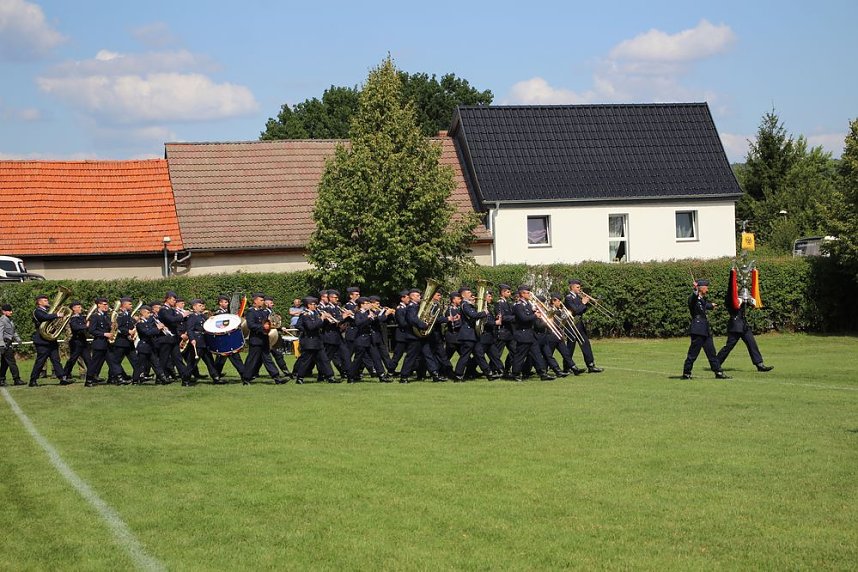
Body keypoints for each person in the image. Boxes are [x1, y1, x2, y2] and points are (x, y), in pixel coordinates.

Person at [682, 280, 730, 380]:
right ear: (701, 288)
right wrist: (695, 289)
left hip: (705, 330)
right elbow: (694, 299)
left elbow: (704, 305)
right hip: (698, 330)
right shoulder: (693, 298)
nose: (707, 289)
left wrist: (711, 305)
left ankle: (718, 372)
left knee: (711, 352)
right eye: (706, 287)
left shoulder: (701, 300)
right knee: (693, 353)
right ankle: (686, 373)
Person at [716, 292, 774, 372]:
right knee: (729, 346)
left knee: (752, 343)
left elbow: (753, 304)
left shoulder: (742, 296)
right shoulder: (730, 297)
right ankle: (716, 363)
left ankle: (759, 364)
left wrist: (749, 299)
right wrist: (741, 299)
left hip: (744, 325)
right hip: (735, 326)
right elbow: (733, 305)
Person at [28, 294, 73, 387]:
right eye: (45, 300)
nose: (47, 302)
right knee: (40, 361)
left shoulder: (48, 312)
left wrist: (60, 319)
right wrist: (56, 315)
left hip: (51, 340)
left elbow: (51, 321)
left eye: (47, 300)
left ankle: (62, 378)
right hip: (42, 341)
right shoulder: (37, 311)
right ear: (39, 302)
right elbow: (43, 317)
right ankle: (33, 380)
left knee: (56, 360)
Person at [511, 286, 554, 381]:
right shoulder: (518, 306)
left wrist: (537, 313)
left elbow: (530, 316)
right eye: (528, 293)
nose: (530, 295)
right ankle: (516, 374)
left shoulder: (528, 305)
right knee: (520, 355)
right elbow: (523, 318)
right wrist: (535, 315)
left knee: (537, 354)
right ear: (522, 294)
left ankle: (542, 373)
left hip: (530, 334)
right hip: (522, 334)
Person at [242, 293, 286, 385]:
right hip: (256, 340)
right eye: (261, 300)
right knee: (252, 360)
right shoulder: (251, 312)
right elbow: (251, 325)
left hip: (264, 339)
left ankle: (276, 377)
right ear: (255, 301)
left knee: (268, 359)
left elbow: (269, 323)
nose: (263, 302)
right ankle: (246, 378)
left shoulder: (265, 312)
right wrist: (263, 327)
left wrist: (275, 325)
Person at [563, 280, 603, 373]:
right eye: (577, 287)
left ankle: (591, 365)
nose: (579, 289)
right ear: (571, 287)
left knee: (586, 344)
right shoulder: (568, 298)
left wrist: (588, 303)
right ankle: (567, 367)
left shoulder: (577, 297)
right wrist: (583, 303)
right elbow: (576, 310)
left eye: (579, 287)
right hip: (571, 325)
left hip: (579, 324)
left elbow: (582, 310)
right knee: (570, 347)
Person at [293, 296, 335, 384]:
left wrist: (328, 319)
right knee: (306, 360)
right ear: (308, 305)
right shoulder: (305, 315)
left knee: (324, 359)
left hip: (318, 341)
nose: (315, 306)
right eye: (313, 304)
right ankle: (300, 377)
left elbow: (319, 325)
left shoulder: (316, 313)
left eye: (315, 304)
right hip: (309, 341)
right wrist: (322, 319)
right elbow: (311, 326)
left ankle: (330, 376)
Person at [185, 299, 222, 385]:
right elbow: (190, 330)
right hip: (197, 341)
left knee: (209, 361)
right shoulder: (192, 317)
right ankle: (186, 380)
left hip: (204, 341)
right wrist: (192, 339)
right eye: (200, 306)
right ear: (194, 307)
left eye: (202, 306)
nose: (202, 307)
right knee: (192, 362)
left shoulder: (202, 316)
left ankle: (216, 377)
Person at [130, 305, 169, 385]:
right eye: (148, 313)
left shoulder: (150, 322)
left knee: (156, 363)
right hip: (144, 346)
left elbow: (153, 331)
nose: (149, 314)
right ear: (143, 313)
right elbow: (147, 332)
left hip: (151, 345)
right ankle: (135, 379)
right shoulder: (140, 324)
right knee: (140, 364)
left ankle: (163, 378)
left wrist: (160, 328)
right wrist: (157, 328)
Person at [211, 294, 246, 380]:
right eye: (224, 302)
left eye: (227, 302)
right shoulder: (217, 313)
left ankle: (244, 375)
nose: (226, 304)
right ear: (220, 303)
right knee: (224, 358)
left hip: (229, 339)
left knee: (231, 357)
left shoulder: (228, 312)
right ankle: (216, 375)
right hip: (222, 339)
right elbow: (219, 326)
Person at [63, 301, 92, 380]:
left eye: (80, 307)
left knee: (88, 359)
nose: (80, 308)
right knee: (72, 359)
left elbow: (86, 328)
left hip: (83, 341)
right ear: (73, 309)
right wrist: (85, 326)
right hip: (76, 341)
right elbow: (75, 327)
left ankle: (93, 375)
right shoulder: (72, 318)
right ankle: (65, 375)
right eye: (78, 307)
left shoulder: (81, 317)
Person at [0, 303, 23, 386]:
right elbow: (0, 333)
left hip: (8, 344)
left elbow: (13, 332)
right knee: (12, 362)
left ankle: (1, 380)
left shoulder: (9, 320)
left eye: (11, 310)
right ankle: (17, 379)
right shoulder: (2, 320)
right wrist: (1, 345)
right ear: (3, 311)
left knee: (5, 363)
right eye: (9, 311)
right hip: (5, 345)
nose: (11, 312)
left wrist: (18, 339)